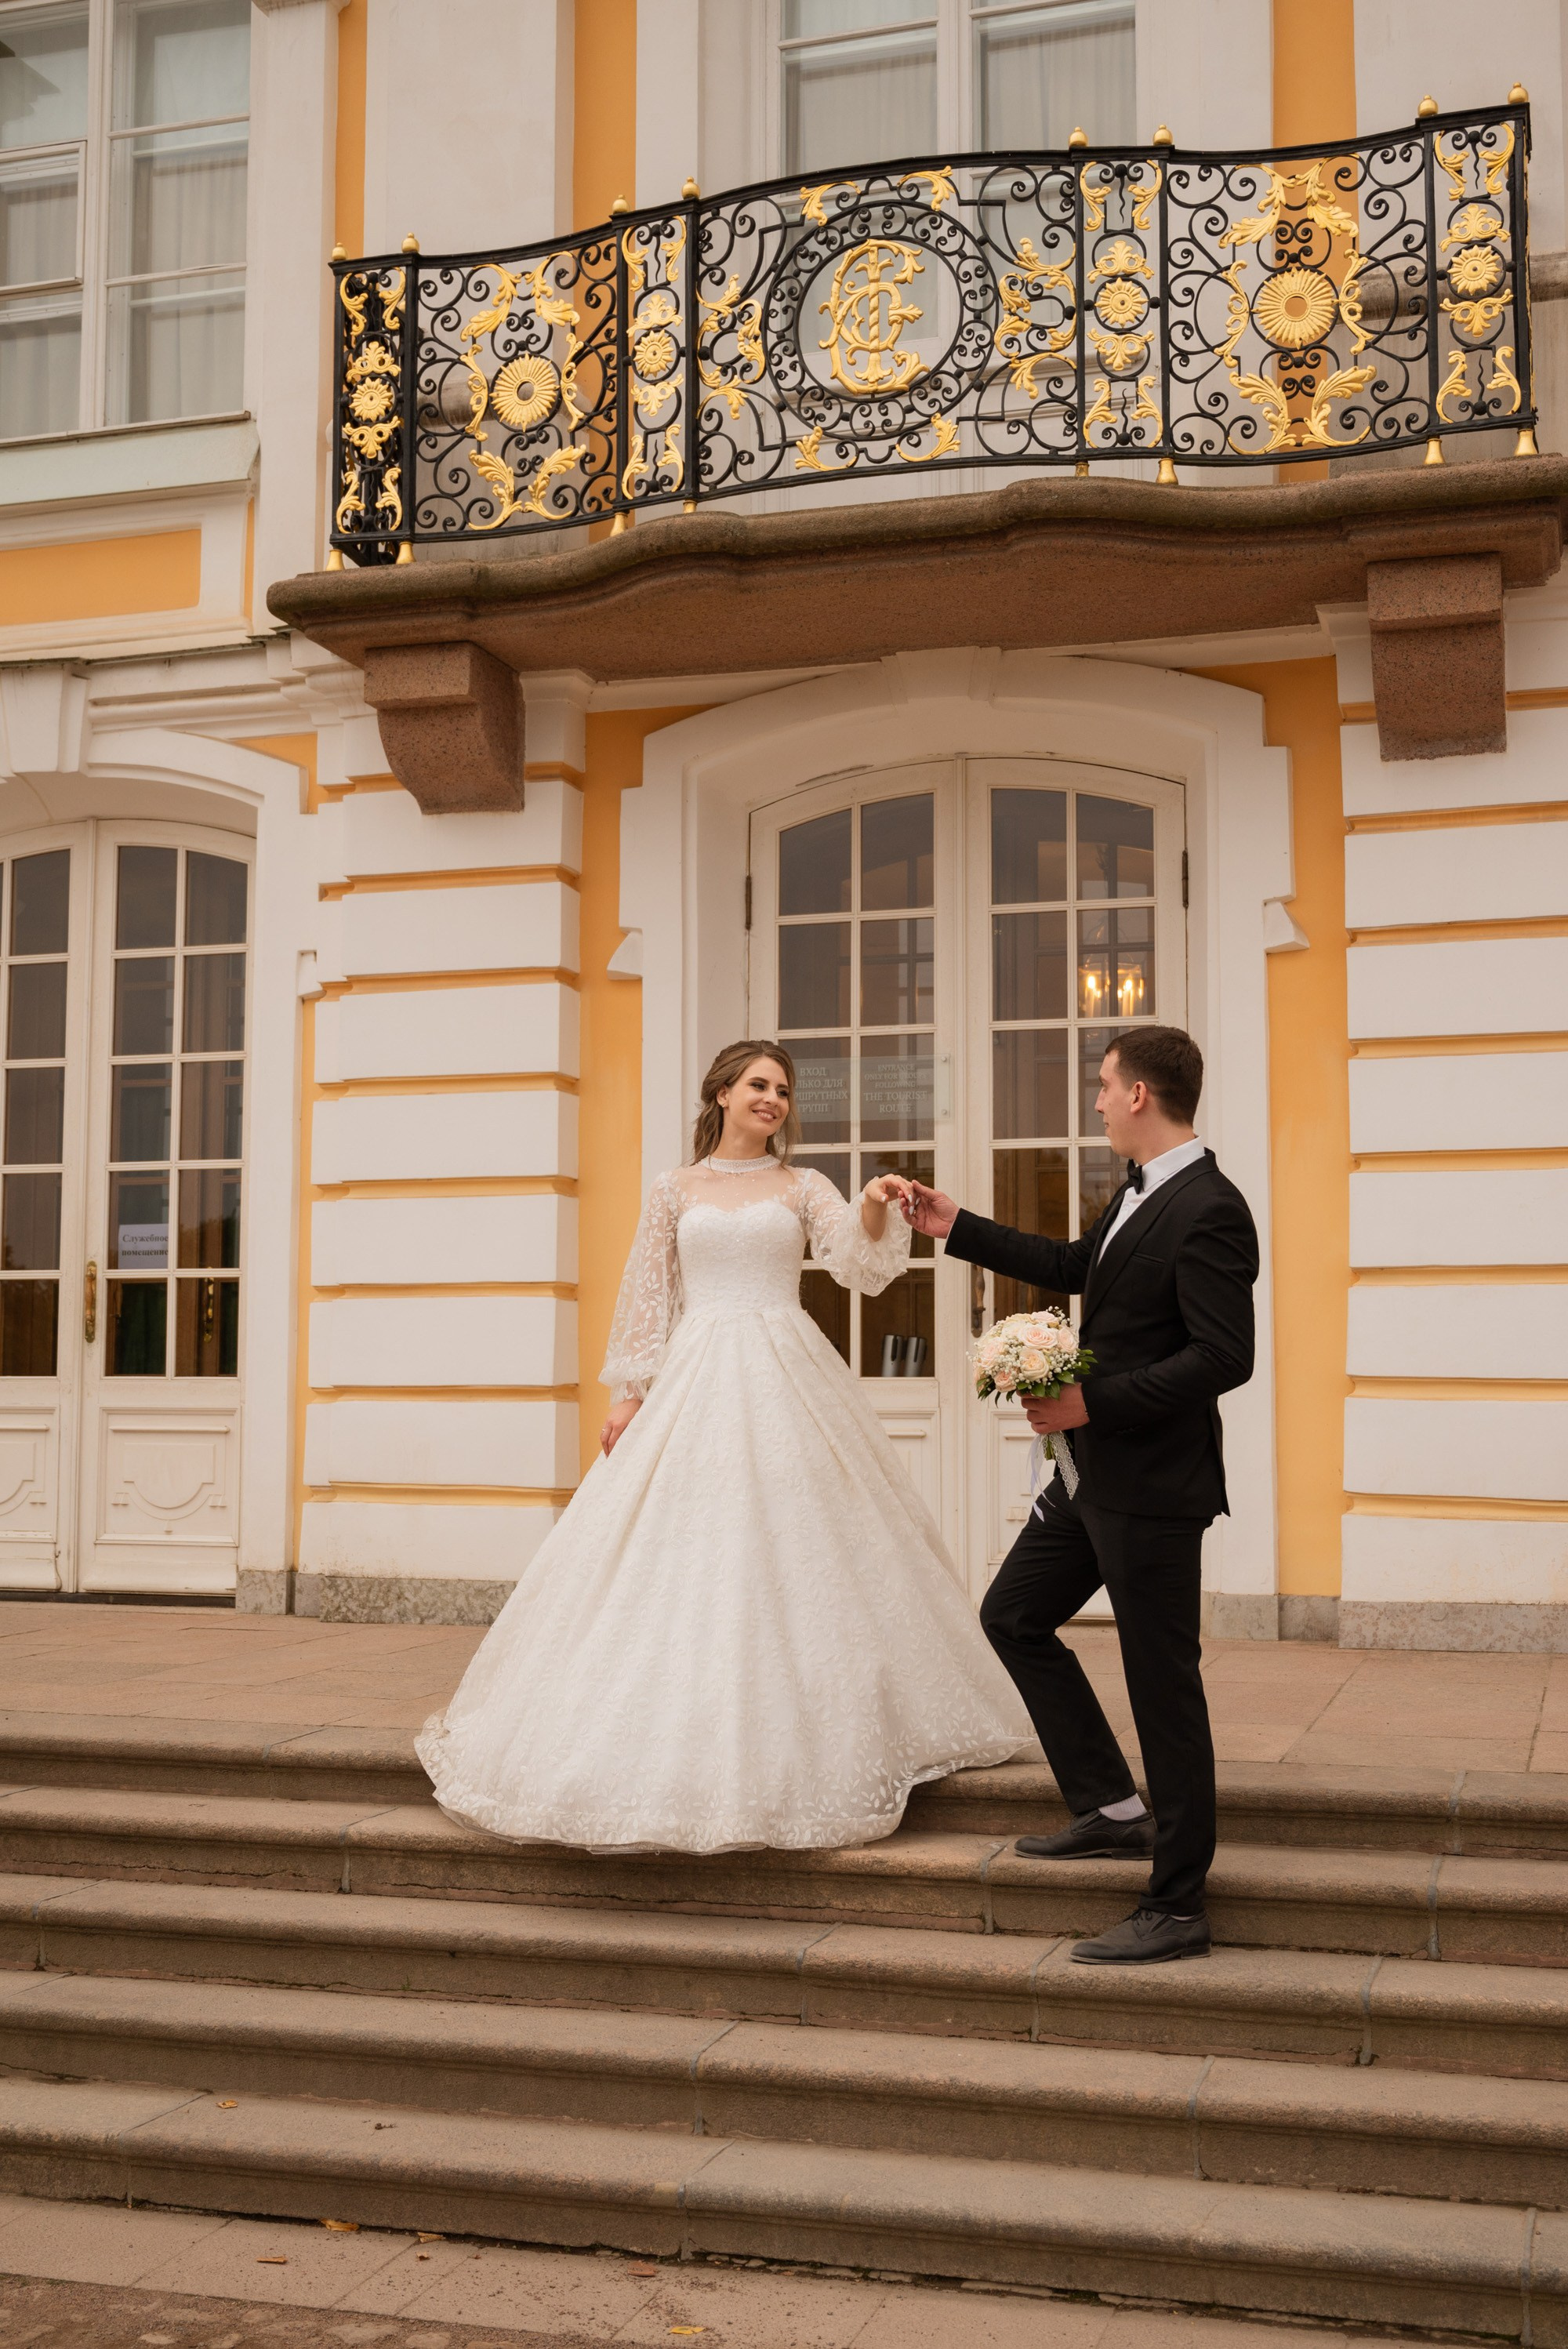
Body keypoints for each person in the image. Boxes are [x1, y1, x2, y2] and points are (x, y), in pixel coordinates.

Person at [417, 1039, 1032, 1853]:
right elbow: (649, 1290)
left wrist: (873, 1202)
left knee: (801, 1540)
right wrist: (630, 1390)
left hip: (786, 1366)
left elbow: (856, 1263)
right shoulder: (673, 1188)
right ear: (721, 1093)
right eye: (757, 1084)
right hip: (695, 1369)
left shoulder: (802, 1185)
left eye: (782, 1089)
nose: (772, 1098)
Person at [902, 1026, 1258, 1966]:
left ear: (1138, 1094)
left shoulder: (1210, 1206)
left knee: (1161, 1686)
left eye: (1103, 1085)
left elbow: (1223, 1356)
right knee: (1012, 1615)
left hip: (1153, 1487)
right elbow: (1073, 1266)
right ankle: (1109, 1805)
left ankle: (1176, 1903)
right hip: (1087, 1477)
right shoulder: (1139, 1189)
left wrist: (1089, 1401)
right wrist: (955, 1226)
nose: (1095, 1101)